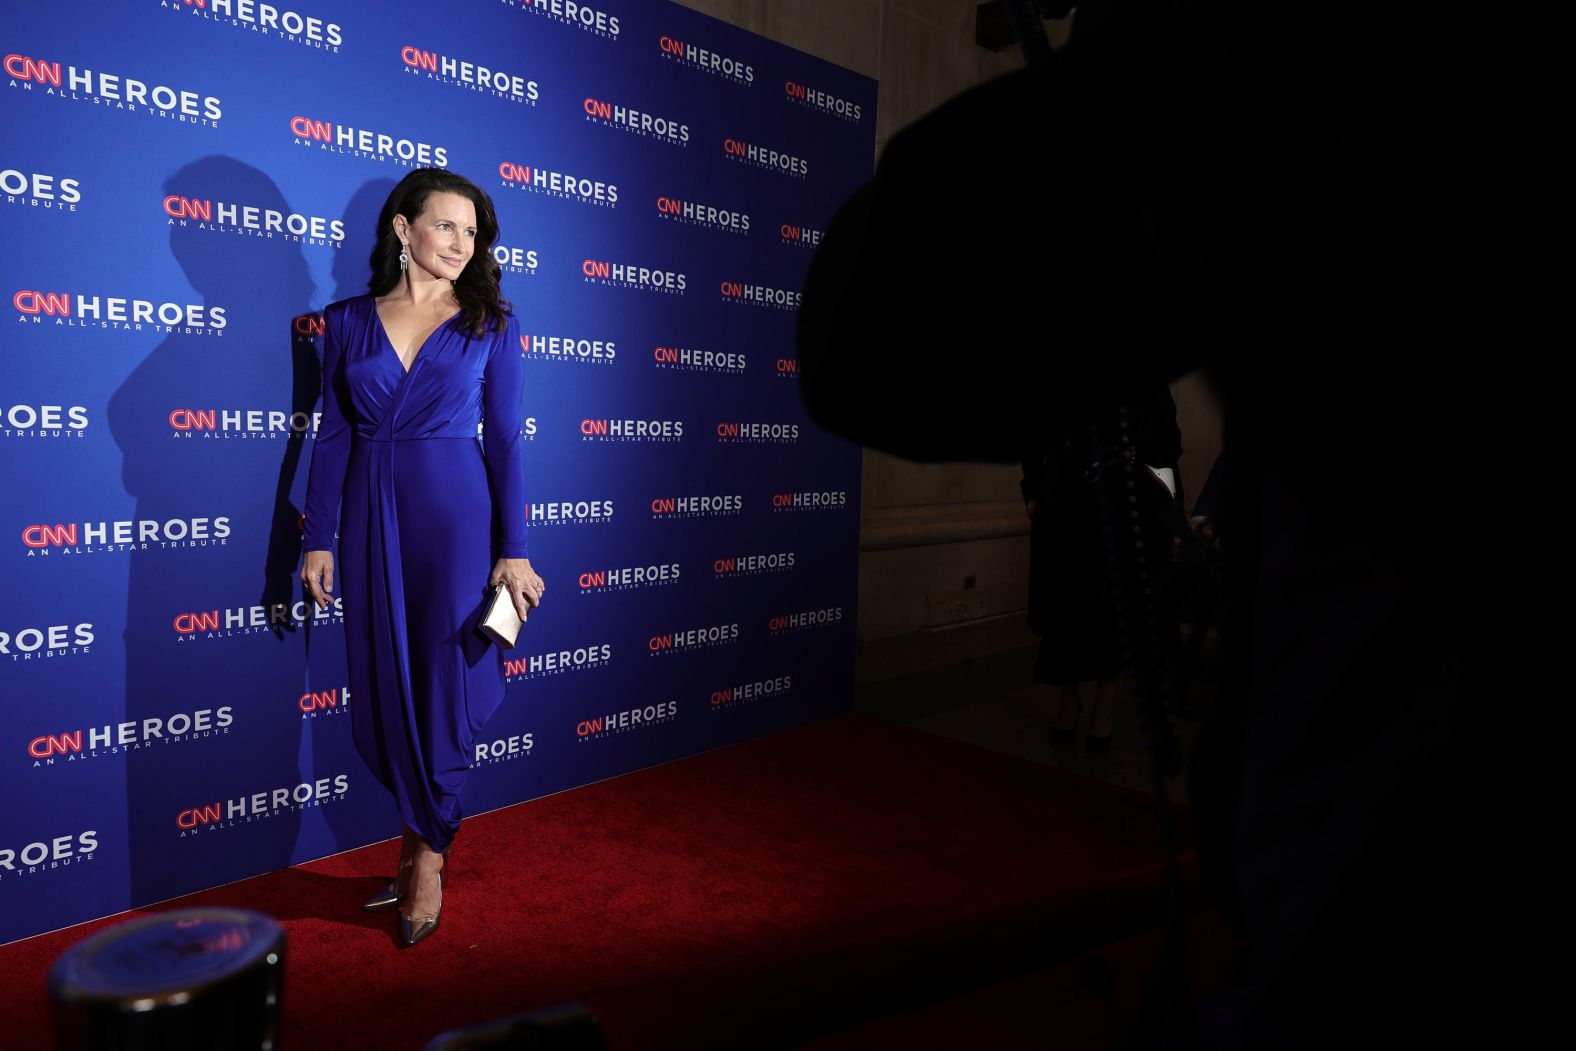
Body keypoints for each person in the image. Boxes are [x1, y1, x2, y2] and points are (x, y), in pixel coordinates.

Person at [298, 168, 545, 947]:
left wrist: (514, 549)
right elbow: (334, 436)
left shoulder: (490, 325)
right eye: (447, 227)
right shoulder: (344, 322)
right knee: (384, 684)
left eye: (473, 234)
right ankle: (415, 838)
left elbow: (503, 441)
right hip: (372, 519)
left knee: (445, 682)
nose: (462, 245)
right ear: (403, 230)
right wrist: (317, 535)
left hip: (456, 520)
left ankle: (429, 858)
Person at [1021, 387, 1181, 748]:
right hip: (1064, 510)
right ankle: (1068, 702)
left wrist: (1165, 508)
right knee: (1064, 614)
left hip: (1124, 514)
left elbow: (1166, 446)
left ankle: (1103, 709)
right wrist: (1032, 491)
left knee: (1112, 616)